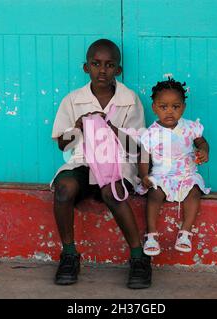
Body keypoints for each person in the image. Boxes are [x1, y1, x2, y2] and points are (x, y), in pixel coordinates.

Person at [50, 39, 151, 289]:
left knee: (111, 192)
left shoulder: (129, 99)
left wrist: (112, 128)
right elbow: (63, 144)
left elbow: (136, 147)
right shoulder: (73, 100)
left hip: (117, 162)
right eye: (96, 64)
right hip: (84, 161)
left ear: (118, 70)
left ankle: (139, 258)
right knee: (64, 188)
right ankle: (70, 254)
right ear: (86, 68)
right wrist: (78, 126)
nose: (102, 70)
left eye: (109, 65)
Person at [136, 78, 211, 256]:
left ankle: (185, 232)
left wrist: (203, 151)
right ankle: (151, 234)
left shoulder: (190, 127)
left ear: (183, 107)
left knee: (194, 191)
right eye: (164, 107)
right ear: (154, 108)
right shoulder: (150, 134)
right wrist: (144, 176)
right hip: (161, 176)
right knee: (154, 194)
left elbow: (202, 142)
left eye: (175, 107)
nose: (170, 112)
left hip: (186, 174)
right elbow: (144, 158)